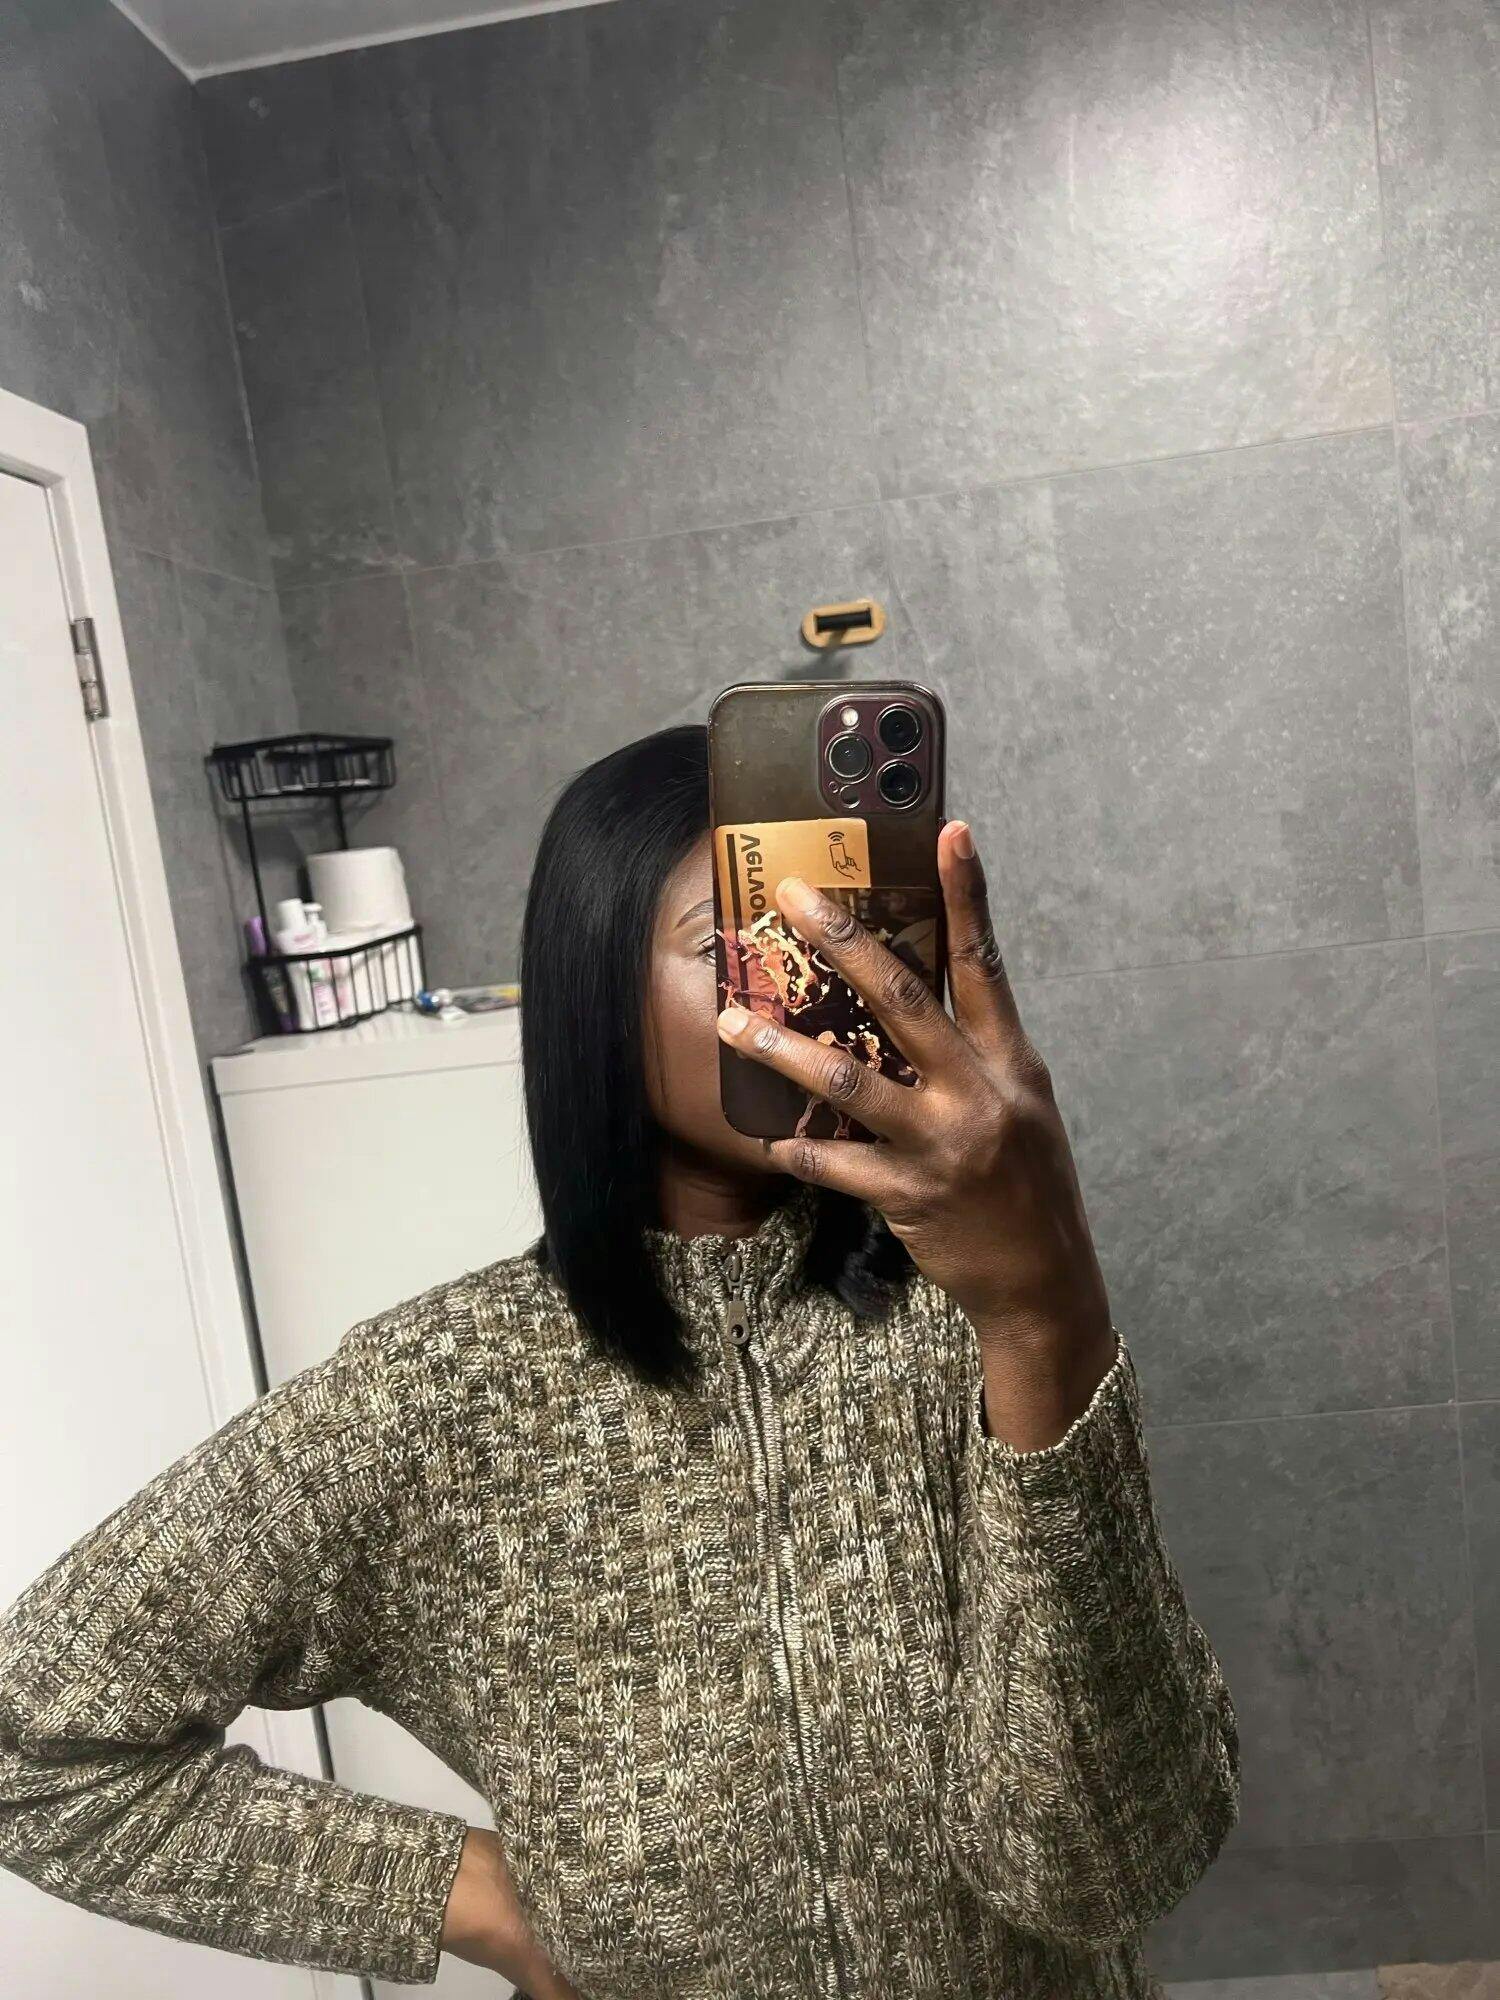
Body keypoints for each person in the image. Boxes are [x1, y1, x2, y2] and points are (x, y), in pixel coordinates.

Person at [0, 723, 1239, 1998]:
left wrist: (1044, 1313)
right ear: (595, 992)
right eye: (739, 940)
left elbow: (1108, 1872)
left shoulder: (977, 1325)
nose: (814, 986)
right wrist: (466, 1897)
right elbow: (33, 1740)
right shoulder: (442, 1392)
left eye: (843, 936)